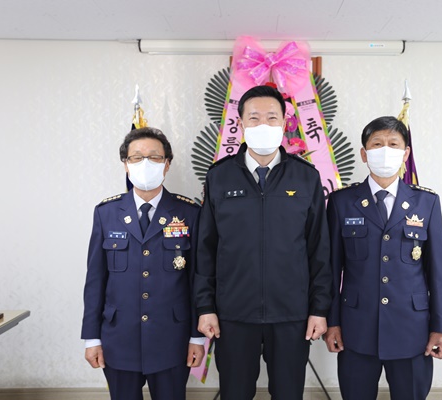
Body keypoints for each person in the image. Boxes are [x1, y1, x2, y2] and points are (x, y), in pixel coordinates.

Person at [194, 85, 332, 400]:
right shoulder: (219, 177)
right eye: (254, 118)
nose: (263, 125)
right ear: (241, 123)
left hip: (291, 314)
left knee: (288, 393)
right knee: (235, 393)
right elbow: (206, 249)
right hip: (233, 313)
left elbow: (319, 250)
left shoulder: (305, 177)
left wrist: (319, 309)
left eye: (272, 117)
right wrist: (205, 307)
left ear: (284, 122)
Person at [324, 116, 442, 400]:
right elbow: (331, 270)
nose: (385, 151)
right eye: (377, 144)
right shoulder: (342, 202)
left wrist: (439, 328)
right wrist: (333, 322)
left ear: (405, 154)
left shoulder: (426, 202)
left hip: (412, 330)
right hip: (357, 328)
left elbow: (438, 272)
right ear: (364, 153)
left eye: (393, 144)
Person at [81, 127, 204, 400]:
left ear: (167, 164)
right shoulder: (106, 213)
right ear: (125, 164)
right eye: (136, 157)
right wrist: (92, 338)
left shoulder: (189, 213)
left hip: (172, 338)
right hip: (118, 338)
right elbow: (95, 280)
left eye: (154, 157)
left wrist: (196, 337)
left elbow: (197, 280)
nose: (145, 163)